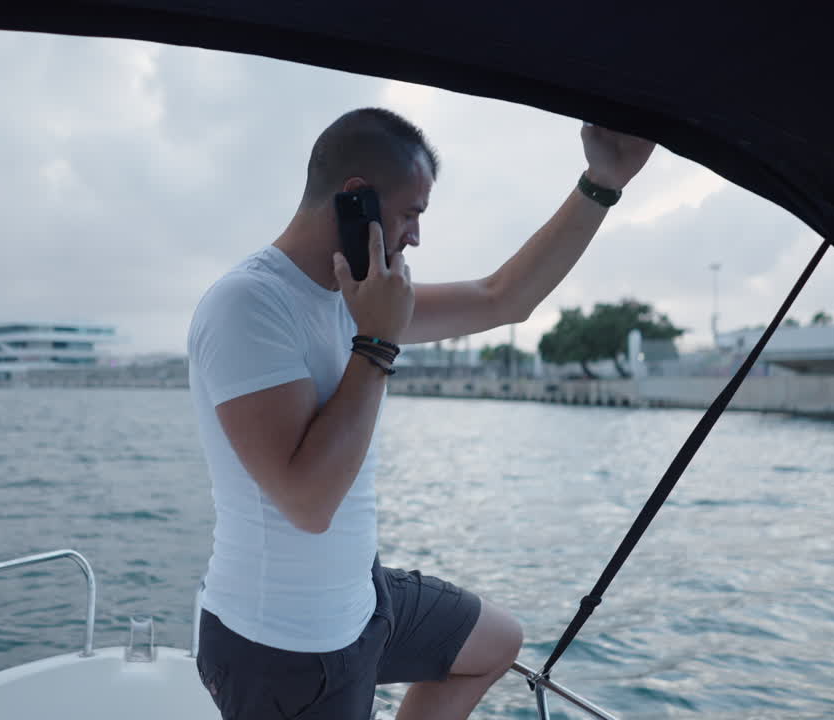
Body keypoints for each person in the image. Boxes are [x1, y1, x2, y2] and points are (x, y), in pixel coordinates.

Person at [188, 107, 654, 720]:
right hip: (284, 646)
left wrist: (603, 184)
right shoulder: (249, 304)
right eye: (411, 214)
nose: (415, 237)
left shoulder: (354, 299)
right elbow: (308, 503)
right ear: (357, 198)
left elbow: (503, 298)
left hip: (362, 601)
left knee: (496, 643)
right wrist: (377, 341)